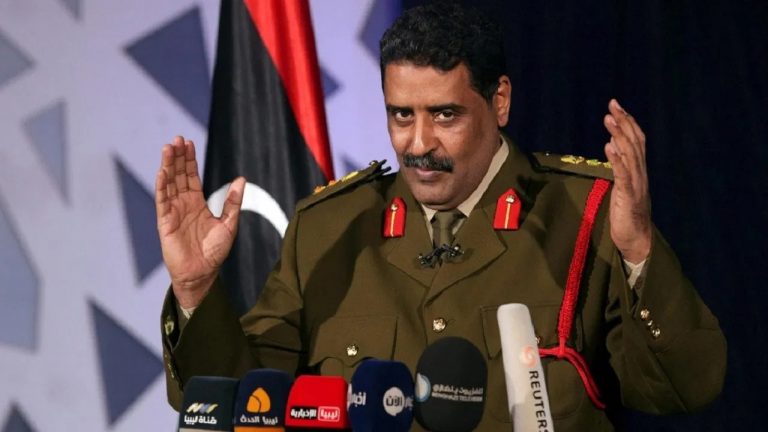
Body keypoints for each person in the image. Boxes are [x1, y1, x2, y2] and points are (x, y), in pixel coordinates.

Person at [155, 3, 725, 430]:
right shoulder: (328, 229)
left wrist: (638, 251)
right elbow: (244, 402)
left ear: (499, 101)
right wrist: (195, 289)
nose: (419, 143)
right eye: (401, 115)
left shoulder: (585, 214)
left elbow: (684, 386)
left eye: (445, 115)